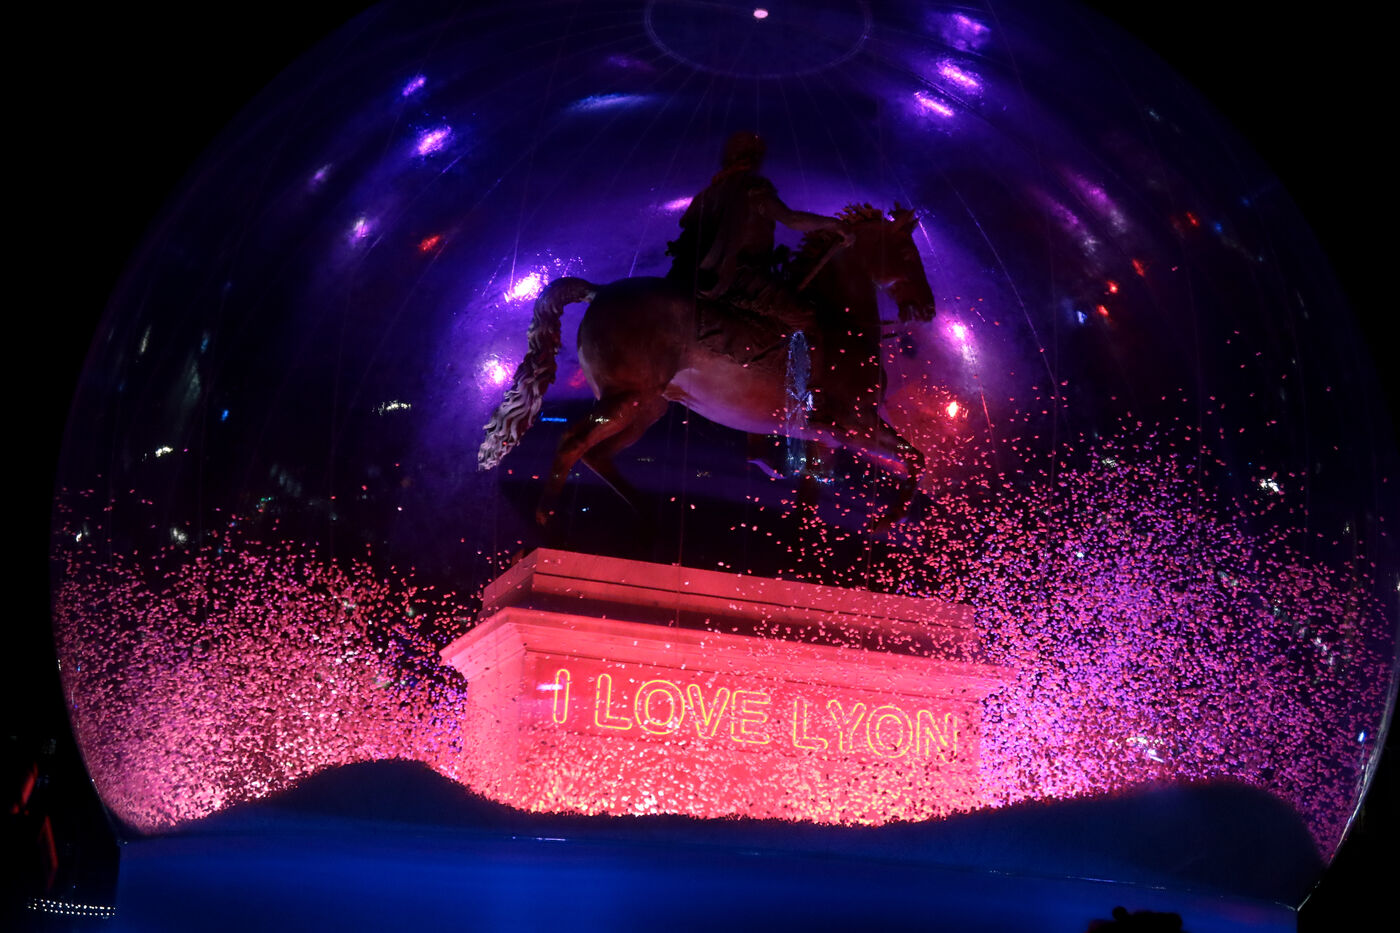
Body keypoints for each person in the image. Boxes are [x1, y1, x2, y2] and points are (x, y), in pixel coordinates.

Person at [666, 131, 852, 423]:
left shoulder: (707, 195)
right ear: (752, 158)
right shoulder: (753, 188)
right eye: (756, 155)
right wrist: (833, 224)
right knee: (805, 316)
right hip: (740, 277)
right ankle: (813, 399)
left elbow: (686, 235)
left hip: (702, 279)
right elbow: (791, 219)